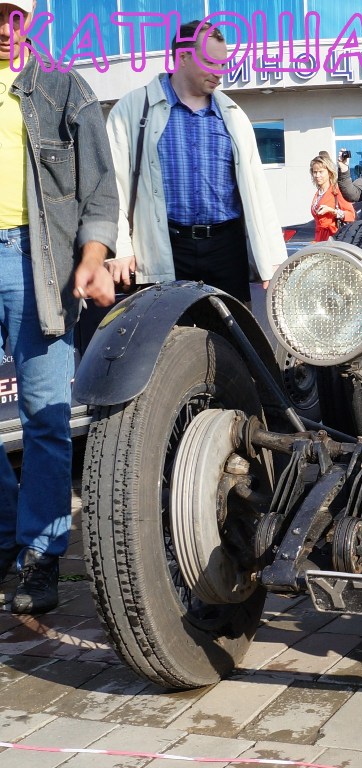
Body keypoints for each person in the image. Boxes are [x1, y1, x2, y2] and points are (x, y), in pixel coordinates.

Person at [0, 0, 118, 613]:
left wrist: (92, 256)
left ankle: (43, 555)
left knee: (46, 415)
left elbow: (99, 184)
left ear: (29, 20)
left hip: (34, 262)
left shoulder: (64, 87)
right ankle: (5, 541)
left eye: (12, 15)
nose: (2, 27)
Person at [105, 20, 286, 302]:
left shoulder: (233, 115)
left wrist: (273, 256)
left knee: (232, 339)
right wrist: (120, 248)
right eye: (212, 62)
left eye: (224, 64)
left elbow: (257, 190)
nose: (220, 72)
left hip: (227, 249)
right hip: (165, 249)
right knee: (168, 340)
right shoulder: (131, 110)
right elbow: (111, 186)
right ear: (184, 57)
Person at [309, 154, 355, 242]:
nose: (317, 175)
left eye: (321, 172)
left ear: (329, 172)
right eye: (315, 172)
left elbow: (351, 215)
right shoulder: (318, 193)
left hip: (333, 237)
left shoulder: (336, 191)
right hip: (319, 238)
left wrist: (332, 211)